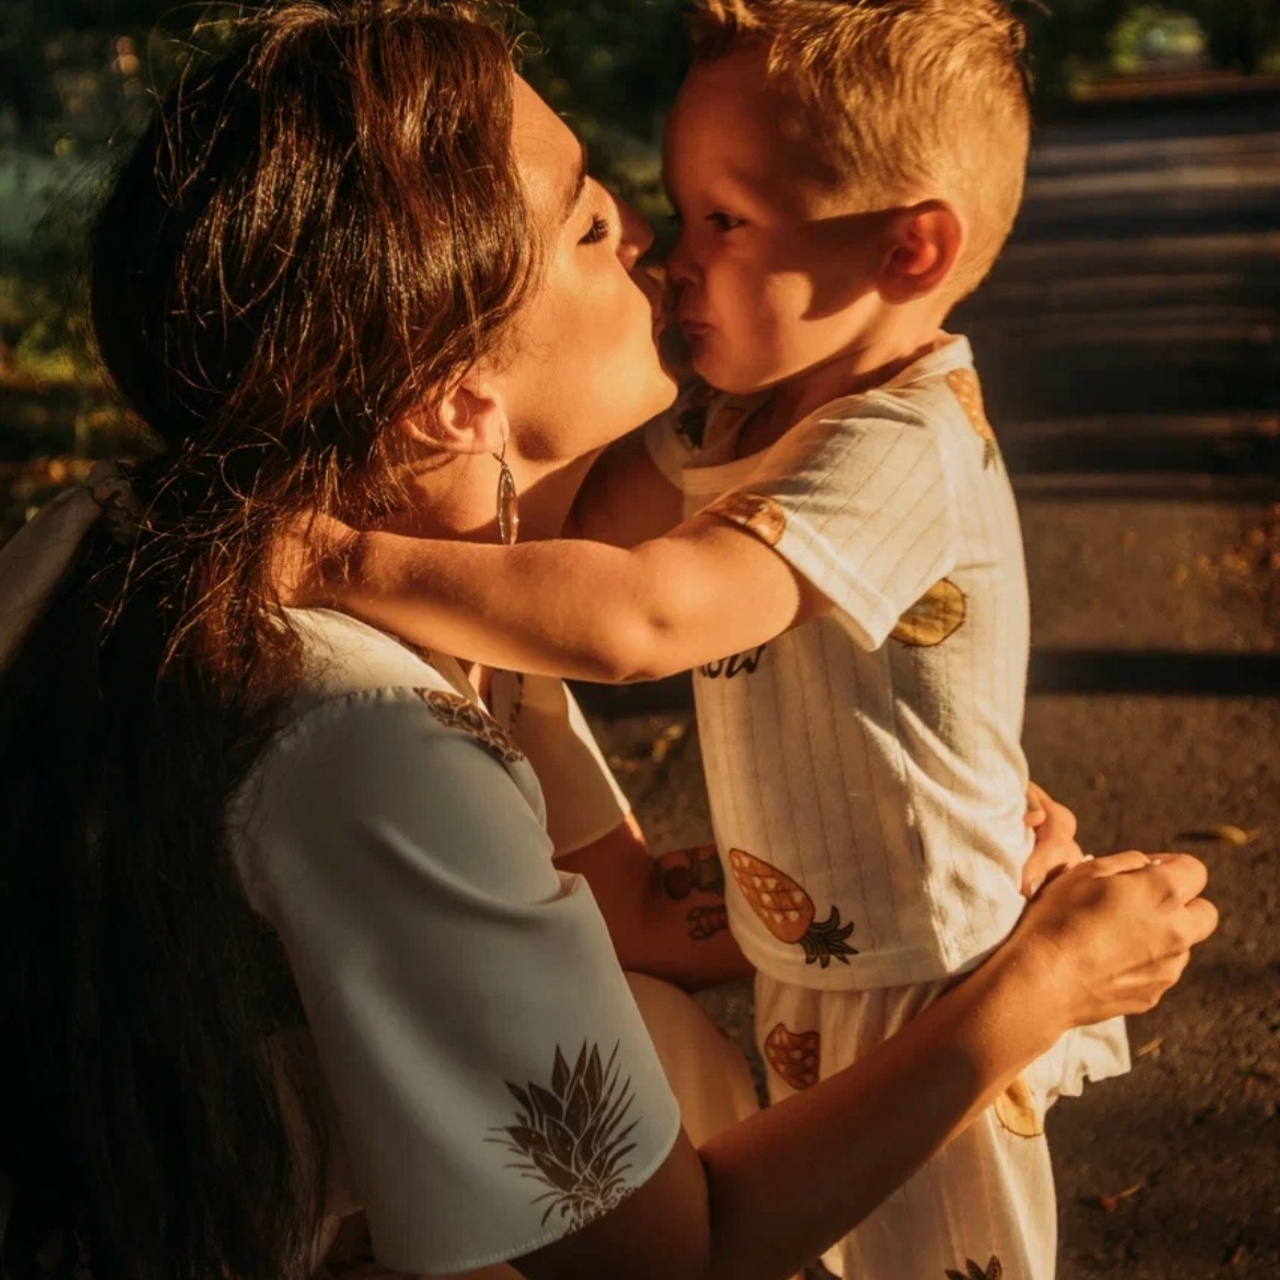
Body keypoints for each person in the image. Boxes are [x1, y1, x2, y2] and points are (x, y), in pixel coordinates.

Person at [0, 4, 1216, 1280]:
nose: (645, 233)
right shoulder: (368, 734)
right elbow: (670, 1258)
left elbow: (631, 910)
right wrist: (1038, 982)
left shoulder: (125, 527)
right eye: (588, 224)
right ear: (452, 399)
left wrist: (935, 872)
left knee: (649, 1030)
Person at [294, 3, 1133, 1275]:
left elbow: (643, 614)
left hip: (927, 977)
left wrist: (340, 557)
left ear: (909, 251)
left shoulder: (895, 444)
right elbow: (547, 562)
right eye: (641, 218)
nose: (664, 253)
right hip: (818, 960)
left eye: (720, 220)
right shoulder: (741, 426)